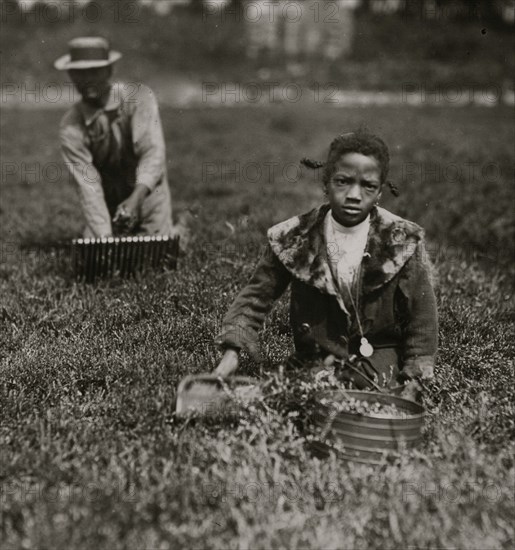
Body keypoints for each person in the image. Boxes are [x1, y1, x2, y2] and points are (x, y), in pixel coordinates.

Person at [213, 131, 438, 401]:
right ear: (326, 183)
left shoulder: (401, 240)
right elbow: (256, 296)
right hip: (317, 361)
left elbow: (422, 316)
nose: (354, 195)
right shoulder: (294, 238)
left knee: (373, 408)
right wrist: (231, 351)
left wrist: (416, 376)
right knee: (281, 398)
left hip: (380, 364)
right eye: (343, 182)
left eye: (367, 186)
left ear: (379, 192)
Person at [55, 37, 173, 238]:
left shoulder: (139, 98)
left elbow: (153, 153)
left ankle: (178, 227)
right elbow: (88, 187)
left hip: (148, 193)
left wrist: (136, 199)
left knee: (158, 253)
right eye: (79, 73)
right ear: (70, 75)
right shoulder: (71, 126)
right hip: (107, 201)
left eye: (94, 71)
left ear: (109, 71)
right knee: (100, 256)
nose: (87, 79)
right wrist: (104, 238)